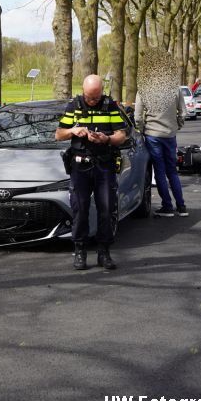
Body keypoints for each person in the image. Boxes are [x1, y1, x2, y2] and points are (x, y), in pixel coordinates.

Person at [55, 75, 127, 270]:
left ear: (102, 92)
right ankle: (80, 251)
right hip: (80, 166)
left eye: (96, 97)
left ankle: (104, 252)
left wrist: (107, 139)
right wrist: (73, 131)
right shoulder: (74, 106)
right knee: (80, 209)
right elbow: (58, 134)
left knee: (107, 209)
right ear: (83, 91)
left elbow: (121, 135)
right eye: (89, 97)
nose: (92, 101)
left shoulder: (110, 106)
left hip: (104, 165)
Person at [134, 86, 189, 217]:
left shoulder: (144, 89)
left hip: (152, 134)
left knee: (159, 171)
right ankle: (181, 206)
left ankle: (167, 206)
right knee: (172, 171)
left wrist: (141, 130)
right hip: (170, 135)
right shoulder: (175, 88)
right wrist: (177, 126)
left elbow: (138, 117)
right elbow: (183, 112)